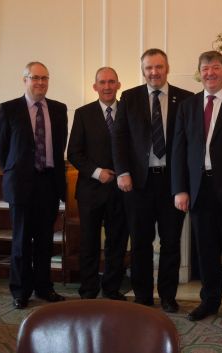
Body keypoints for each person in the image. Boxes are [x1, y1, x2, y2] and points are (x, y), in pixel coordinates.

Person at [171, 50, 222, 326]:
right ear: (200, 73)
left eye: (215, 68)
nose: (210, 73)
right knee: (205, 250)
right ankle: (209, 301)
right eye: (205, 69)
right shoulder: (187, 106)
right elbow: (179, 150)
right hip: (198, 190)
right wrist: (179, 189)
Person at [112, 49, 193, 312]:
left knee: (171, 243)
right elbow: (119, 138)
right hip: (138, 184)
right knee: (140, 243)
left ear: (167, 68)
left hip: (173, 183)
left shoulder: (186, 99)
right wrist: (122, 171)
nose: (154, 72)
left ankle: (168, 296)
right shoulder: (129, 97)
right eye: (149, 68)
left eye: (158, 67)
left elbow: (192, 144)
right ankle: (144, 297)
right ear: (142, 70)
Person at [0, 61, 68, 309]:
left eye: (44, 78)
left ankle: (44, 287)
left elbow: (59, 149)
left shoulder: (58, 110)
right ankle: (20, 291)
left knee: (46, 241)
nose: (40, 83)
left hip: (48, 183)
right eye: (35, 78)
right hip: (21, 184)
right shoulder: (9, 109)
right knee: (22, 241)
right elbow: (1, 149)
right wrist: (16, 170)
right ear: (24, 80)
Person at [68, 67, 129, 300]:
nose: (107, 86)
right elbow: (74, 152)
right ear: (95, 86)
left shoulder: (128, 110)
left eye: (111, 82)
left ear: (118, 84)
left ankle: (112, 289)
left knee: (117, 242)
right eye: (102, 82)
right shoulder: (83, 113)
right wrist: (96, 172)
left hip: (121, 190)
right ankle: (89, 290)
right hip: (91, 191)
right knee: (89, 243)